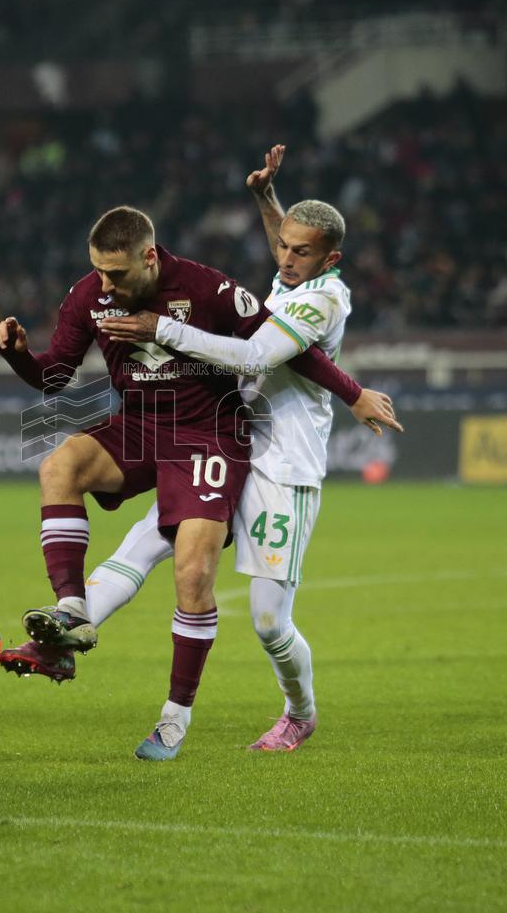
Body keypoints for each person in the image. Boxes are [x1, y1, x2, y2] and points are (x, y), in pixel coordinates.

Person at [0, 203, 389, 759]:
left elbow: (282, 351)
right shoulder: (89, 295)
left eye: (118, 274)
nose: (105, 284)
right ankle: (69, 617)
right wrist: (17, 357)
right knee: (59, 465)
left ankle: (180, 719)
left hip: (210, 436)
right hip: (141, 426)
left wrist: (353, 393)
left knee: (206, 578)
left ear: (149, 258)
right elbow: (54, 375)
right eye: (98, 271)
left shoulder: (209, 289)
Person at [94, 162, 399, 754]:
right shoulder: (292, 278)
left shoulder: (323, 304)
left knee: (267, 621)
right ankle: (68, 623)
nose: (285, 259)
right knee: (148, 538)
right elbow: (285, 248)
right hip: (227, 440)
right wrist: (267, 198)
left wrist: (166, 329)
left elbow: (255, 356)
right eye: (283, 246)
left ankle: (300, 712)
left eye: (302, 253)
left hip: (284, 465)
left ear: (329, 260)